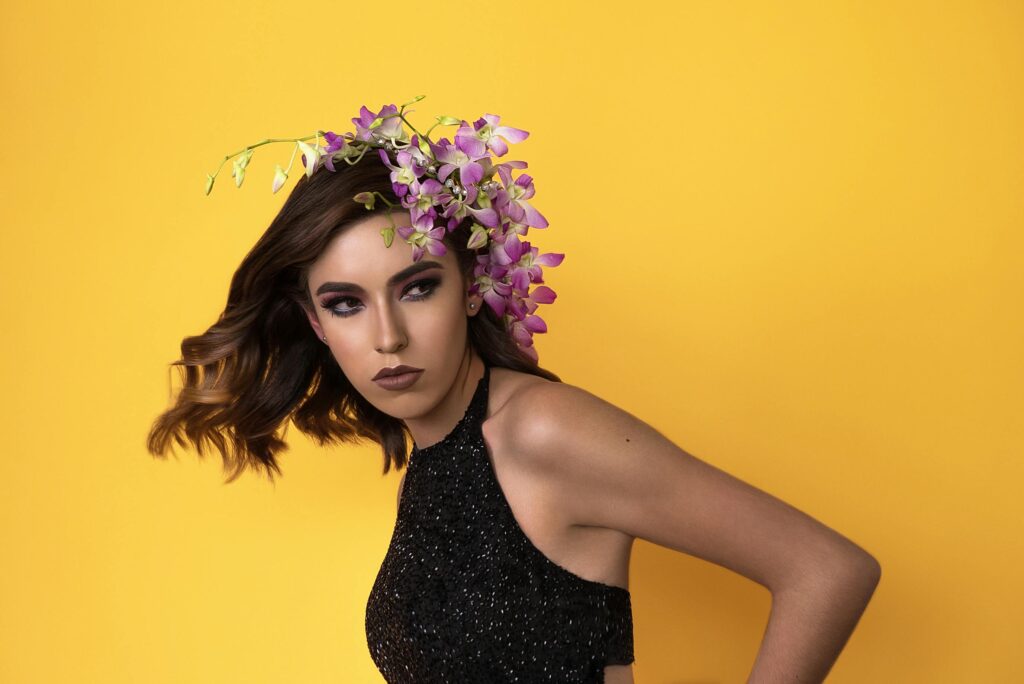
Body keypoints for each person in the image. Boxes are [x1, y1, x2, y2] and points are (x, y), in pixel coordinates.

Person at [147, 99, 881, 684]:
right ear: (315, 320)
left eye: (418, 287)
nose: (389, 336)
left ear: (471, 287)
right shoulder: (431, 463)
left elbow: (826, 569)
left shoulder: (540, 432)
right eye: (346, 303)